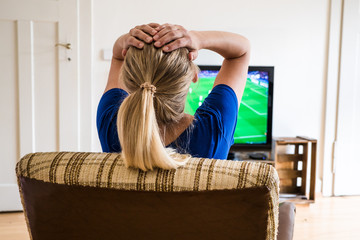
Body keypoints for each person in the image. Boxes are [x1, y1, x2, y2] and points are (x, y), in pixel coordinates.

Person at [97, 23, 250, 171]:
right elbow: (241, 52)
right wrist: (196, 37)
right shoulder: (213, 128)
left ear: (126, 78)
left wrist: (125, 41)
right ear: (193, 77)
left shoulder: (110, 123)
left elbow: (117, 57)